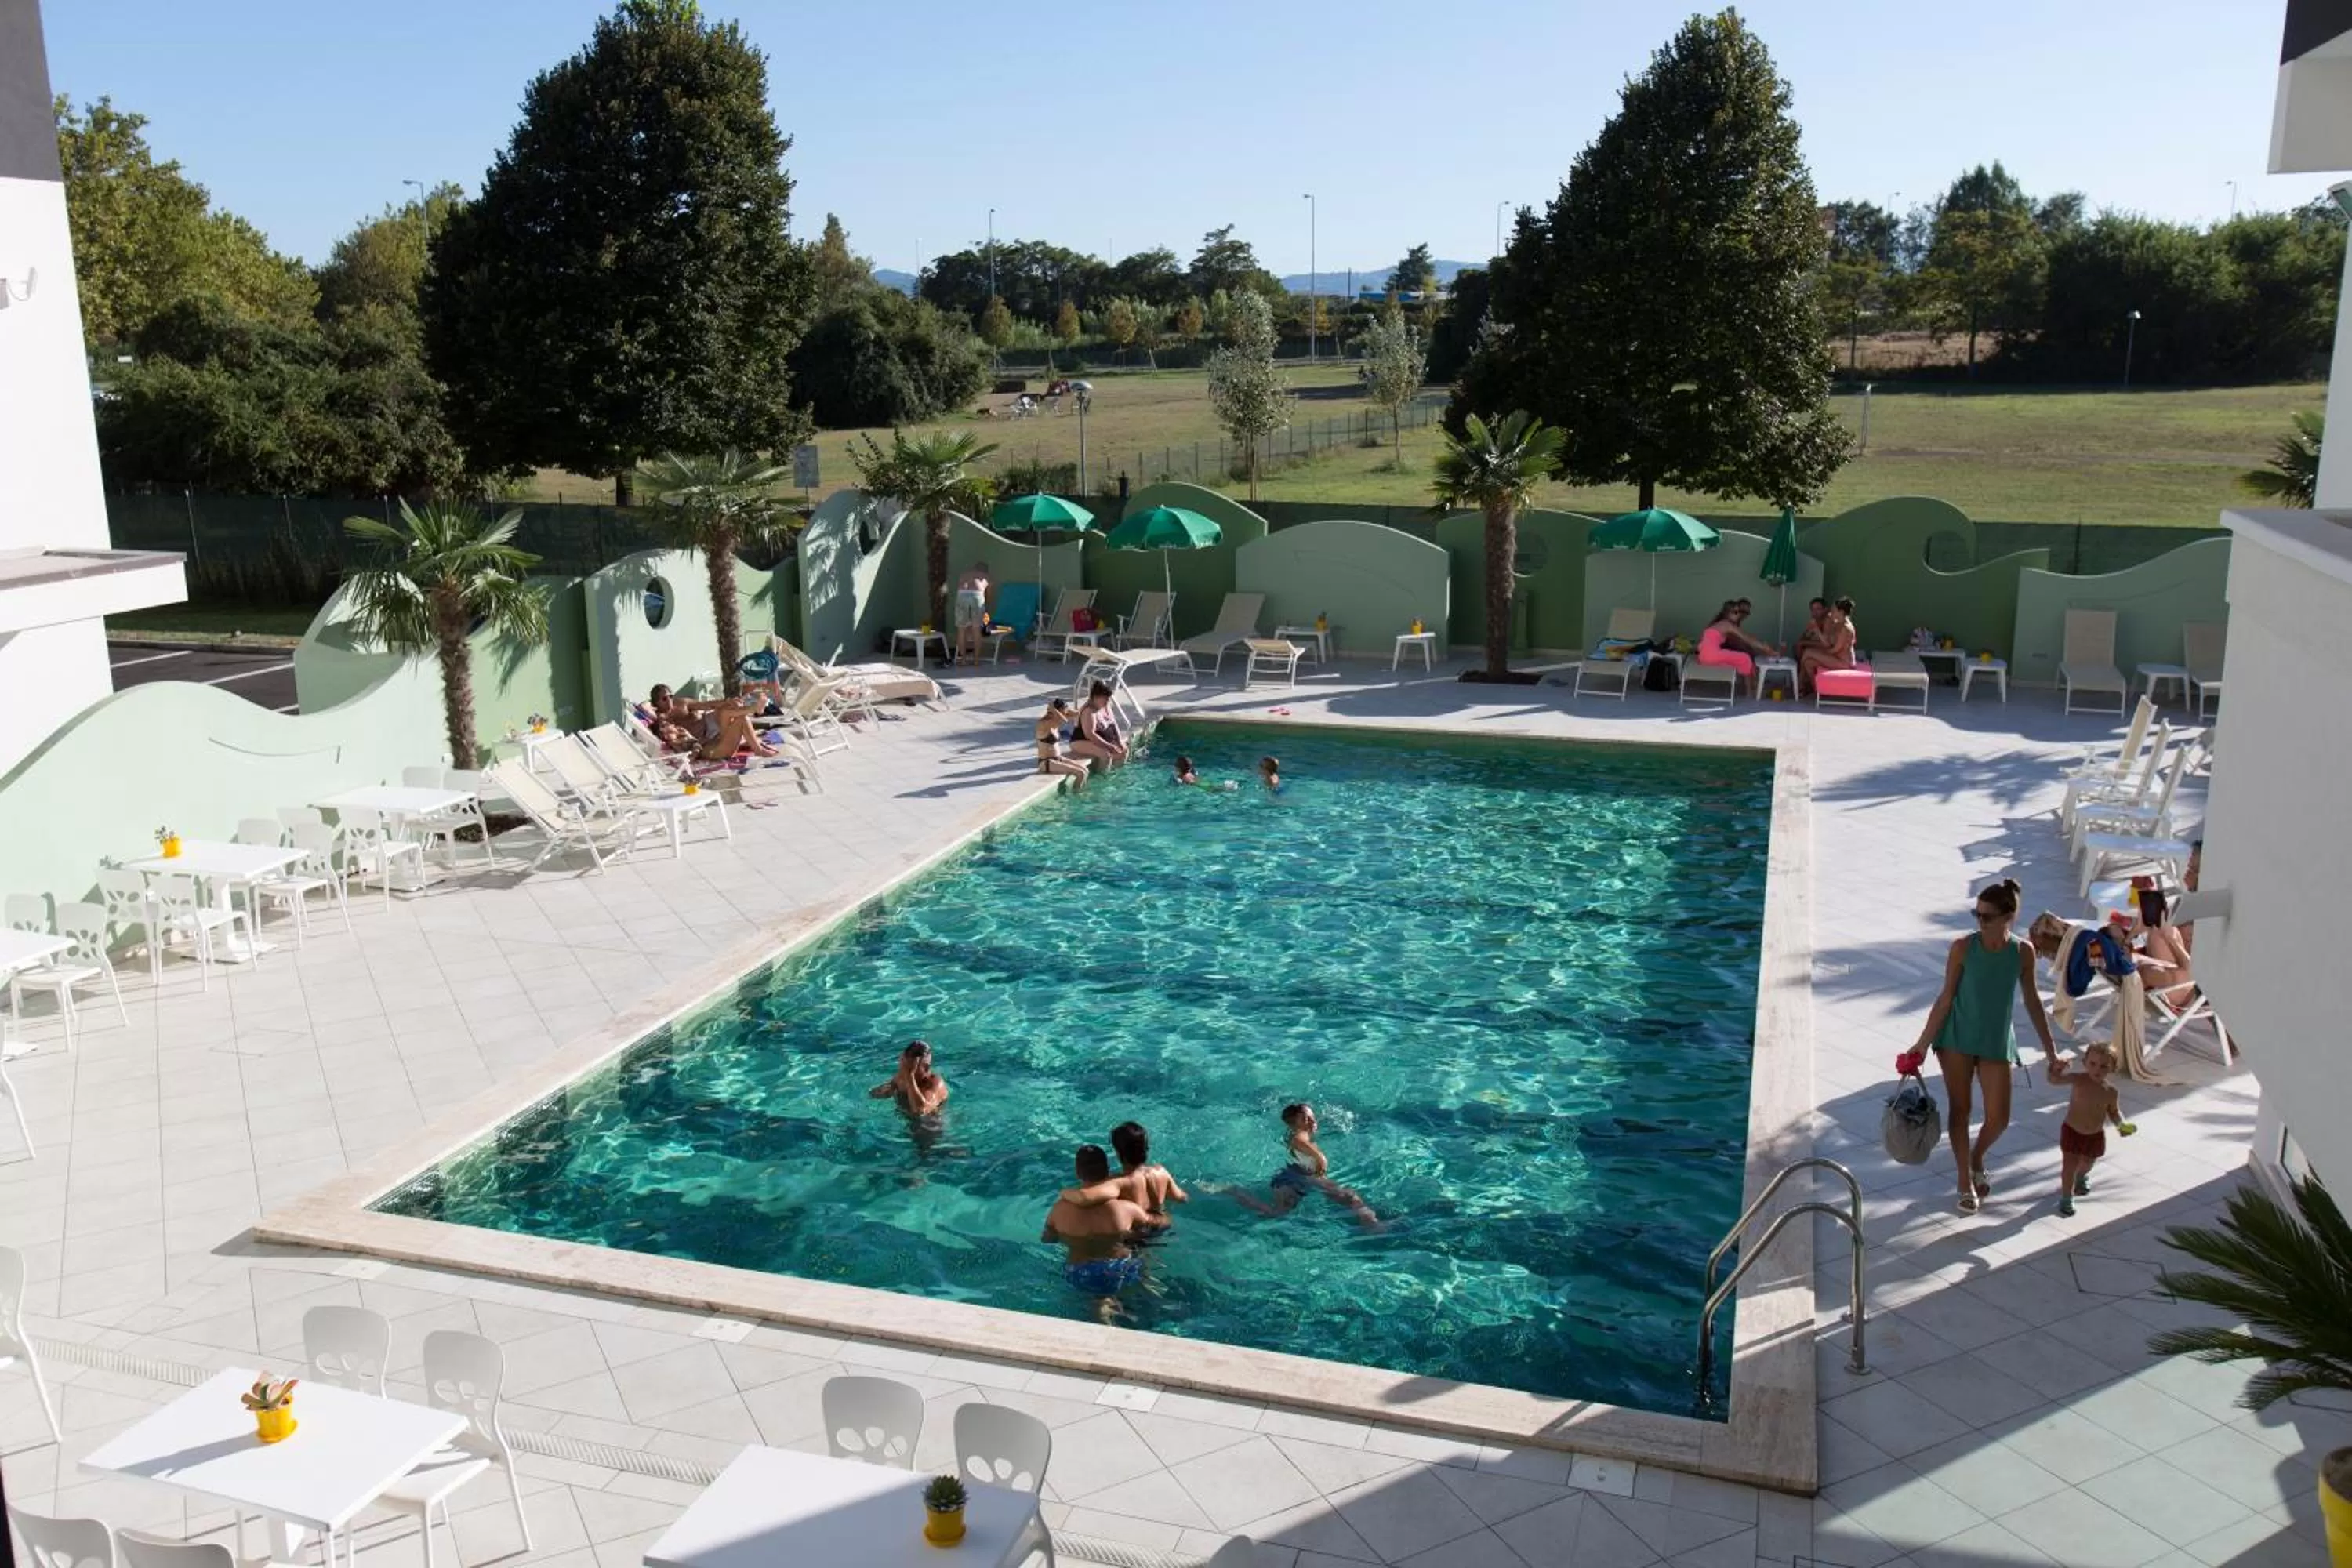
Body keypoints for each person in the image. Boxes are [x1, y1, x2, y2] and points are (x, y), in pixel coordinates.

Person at [1911, 878, 2058, 1214]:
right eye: (1976, 914)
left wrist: (2051, 1051)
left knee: (1999, 1118)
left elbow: (2033, 1001)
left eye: (1987, 916)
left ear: (2008, 917)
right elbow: (1945, 998)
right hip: (1956, 1037)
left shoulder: (2022, 952)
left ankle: (1977, 1157)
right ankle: (1964, 1180)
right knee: (1960, 1110)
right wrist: (1920, 1045)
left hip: (1995, 1039)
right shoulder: (1963, 948)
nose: (1980, 921)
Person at [1042, 1145, 1152, 1321]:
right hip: (1121, 1268)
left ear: (1078, 1172)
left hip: (1080, 1272)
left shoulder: (1059, 1210)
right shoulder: (1127, 1209)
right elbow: (1151, 1232)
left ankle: (1102, 1307)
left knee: (1097, 1298)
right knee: (1141, 1257)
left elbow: (1048, 1239)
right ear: (1107, 1171)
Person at [1229, 1103, 1381, 1230]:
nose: (1312, 1121)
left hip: (1296, 1175)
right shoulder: (1300, 1134)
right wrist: (1320, 1158)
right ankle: (1373, 1226)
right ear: (1296, 1122)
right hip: (1297, 1176)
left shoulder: (1302, 1133)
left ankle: (1235, 1191)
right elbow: (1297, 1141)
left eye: (1312, 1117)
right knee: (1350, 1197)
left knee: (1278, 1214)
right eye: (1306, 1118)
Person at [2046, 1042, 2134, 1217]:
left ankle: (2082, 1176)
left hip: (2094, 1135)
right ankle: (2067, 1197)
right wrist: (2055, 1070)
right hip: (2072, 1131)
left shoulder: (2110, 1091)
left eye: (2104, 1066)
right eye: (2093, 1064)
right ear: (2085, 1062)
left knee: (2088, 1163)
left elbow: (2114, 1112)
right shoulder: (2078, 1080)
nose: (2097, 1070)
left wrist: (2121, 1125)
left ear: (2112, 1068)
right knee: (2069, 1165)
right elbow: (2054, 1081)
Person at [1058, 1120, 1190, 1226]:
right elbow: (1183, 1198)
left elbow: (1084, 1198)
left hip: (1138, 1237)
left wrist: (1063, 1192)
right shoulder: (1161, 1172)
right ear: (1146, 1148)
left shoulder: (1119, 1183)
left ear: (1118, 1152)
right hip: (1163, 1226)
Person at [650, 684, 780, 761]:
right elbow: (687, 751)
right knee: (739, 718)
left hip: (711, 736)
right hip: (711, 745)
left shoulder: (681, 704)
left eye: (671, 696)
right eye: (664, 699)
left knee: (727, 711)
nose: (669, 701)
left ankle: (755, 710)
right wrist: (695, 748)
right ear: (656, 703)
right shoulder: (664, 724)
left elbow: (707, 705)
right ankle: (754, 710)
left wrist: (727, 701)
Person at [869, 1040, 949, 1119]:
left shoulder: (935, 1083)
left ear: (926, 1068)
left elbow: (920, 1111)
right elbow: (877, 1094)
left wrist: (910, 1075)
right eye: (905, 1063)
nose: (907, 1068)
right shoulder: (901, 1076)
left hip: (930, 1122)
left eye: (913, 1067)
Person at [1798, 597, 1860, 695]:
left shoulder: (1846, 628)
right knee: (1809, 662)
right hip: (1836, 658)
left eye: (1834, 610)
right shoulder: (1838, 624)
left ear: (1841, 612)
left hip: (1844, 662)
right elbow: (1828, 643)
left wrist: (1820, 653)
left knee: (1808, 652)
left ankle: (1799, 685)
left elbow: (1835, 650)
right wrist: (1816, 630)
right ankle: (1817, 688)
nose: (1831, 612)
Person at [1035, 699, 1090, 791]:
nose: (1066, 713)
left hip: (1058, 758)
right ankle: (1076, 795)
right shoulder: (1044, 722)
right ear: (1059, 710)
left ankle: (1080, 791)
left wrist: (1088, 702)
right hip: (1046, 762)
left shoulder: (1056, 720)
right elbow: (1064, 721)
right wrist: (1053, 709)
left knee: (1085, 770)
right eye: (1065, 710)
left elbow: (1077, 714)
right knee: (1080, 773)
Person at [1070, 681, 1127, 769]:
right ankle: (1103, 775)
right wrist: (1109, 746)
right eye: (1106, 698)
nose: (1108, 700)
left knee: (1123, 750)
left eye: (1109, 698)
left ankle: (1117, 774)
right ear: (1096, 697)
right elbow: (1090, 734)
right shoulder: (1089, 711)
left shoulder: (1106, 706)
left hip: (1099, 740)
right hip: (1080, 741)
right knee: (1106, 754)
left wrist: (1119, 741)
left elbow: (1114, 723)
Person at [953, 561, 993, 666]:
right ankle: (976, 660)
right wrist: (986, 608)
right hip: (977, 596)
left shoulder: (964, 574)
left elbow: (961, 587)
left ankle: (963, 660)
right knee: (976, 630)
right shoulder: (986, 576)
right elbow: (988, 596)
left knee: (961, 630)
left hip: (962, 595)